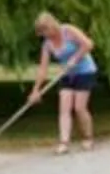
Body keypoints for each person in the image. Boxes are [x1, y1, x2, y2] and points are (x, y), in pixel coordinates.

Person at [30, 10, 98, 154]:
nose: (44, 35)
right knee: (64, 107)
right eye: (42, 33)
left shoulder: (68, 31)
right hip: (67, 74)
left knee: (79, 108)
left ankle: (88, 138)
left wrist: (75, 58)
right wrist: (36, 90)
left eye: (45, 31)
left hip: (85, 71)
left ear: (51, 26)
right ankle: (64, 142)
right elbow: (43, 69)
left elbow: (88, 44)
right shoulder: (47, 45)